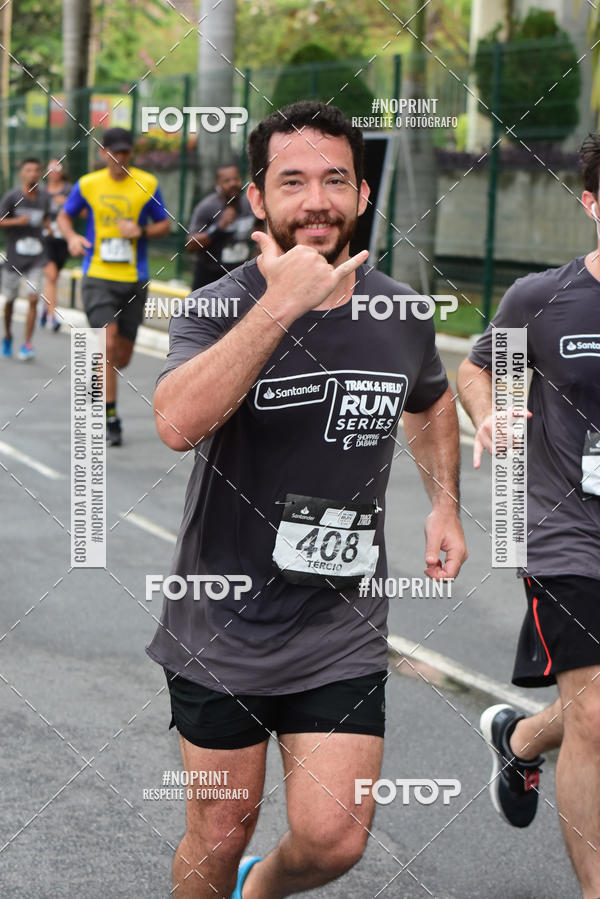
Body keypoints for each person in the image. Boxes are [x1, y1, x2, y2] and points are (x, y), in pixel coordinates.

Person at [148, 100, 467, 899]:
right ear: (258, 199)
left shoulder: (400, 312)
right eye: (293, 181)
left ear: (364, 195)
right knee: (218, 834)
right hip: (222, 622)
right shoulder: (220, 305)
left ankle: (260, 893)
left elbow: (429, 402)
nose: (316, 199)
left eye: (335, 179)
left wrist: (446, 504)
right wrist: (280, 304)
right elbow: (176, 422)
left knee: (333, 841)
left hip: (340, 623)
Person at [457, 133, 600, 898]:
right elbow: (479, 366)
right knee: (599, 715)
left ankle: (519, 739)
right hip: (565, 528)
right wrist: (489, 415)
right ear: (591, 202)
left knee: (587, 709)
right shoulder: (543, 298)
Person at [58, 127, 170, 446]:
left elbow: (164, 224)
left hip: (134, 278)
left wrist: (142, 231)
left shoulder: (147, 183)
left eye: (125, 152)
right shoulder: (88, 184)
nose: (119, 158)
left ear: (130, 154)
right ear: (103, 153)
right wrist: (72, 238)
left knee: (121, 356)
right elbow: (65, 217)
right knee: (107, 346)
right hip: (97, 275)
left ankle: (100, 381)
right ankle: (110, 417)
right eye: (114, 152)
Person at [0, 157, 50, 360]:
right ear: (22, 174)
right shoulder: (12, 196)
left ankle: (27, 343)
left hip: (37, 257)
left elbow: (47, 218)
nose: (33, 174)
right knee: (10, 300)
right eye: (28, 170)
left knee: (32, 298)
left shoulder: (44, 197)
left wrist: (48, 226)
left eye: (36, 170)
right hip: (14, 257)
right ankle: (8, 335)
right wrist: (18, 221)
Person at [185, 163, 257, 290]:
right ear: (217, 185)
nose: (233, 184)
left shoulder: (250, 205)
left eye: (236, 179)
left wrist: (256, 255)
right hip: (209, 277)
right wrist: (218, 227)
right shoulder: (207, 207)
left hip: (240, 275)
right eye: (227, 181)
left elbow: (259, 226)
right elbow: (191, 244)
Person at [41, 158, 72, 332]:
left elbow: (82, 212)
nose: (53, 171)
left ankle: (45, 310)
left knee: (54, 278)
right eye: (50, 168)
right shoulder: (42, 191)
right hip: (46, 239)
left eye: (56, 167)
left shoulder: (69, 189)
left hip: (63, 240)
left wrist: (66, 204)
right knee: (51, 276)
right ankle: (53, 316)